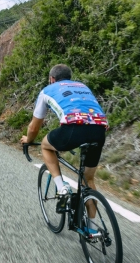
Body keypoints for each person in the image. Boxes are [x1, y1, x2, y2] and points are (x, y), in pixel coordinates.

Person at [20, 64, 108, 230]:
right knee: (88, 180)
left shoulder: (48, 90)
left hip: (74, 128)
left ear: (52, 79)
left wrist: (28, 139)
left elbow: (34, 127)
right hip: (99, 130)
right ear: (69, 77)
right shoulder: (82, 86)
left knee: (46, 146)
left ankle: (61, 188)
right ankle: (92, 228)